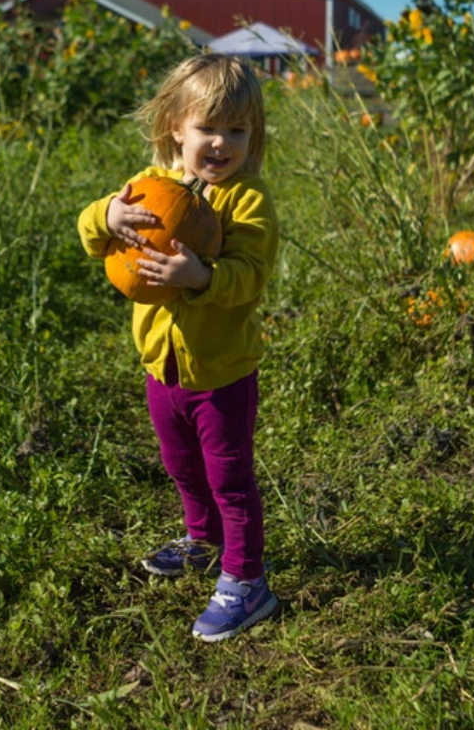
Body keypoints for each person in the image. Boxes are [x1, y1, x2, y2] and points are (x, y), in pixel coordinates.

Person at [77, 53, 280, 642]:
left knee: (230, 478)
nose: (221, 143)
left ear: (252, 136)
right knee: (181, 465)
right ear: (176, 127)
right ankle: (200, 540)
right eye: (207, 128)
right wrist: (108, 213)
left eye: (237, 131)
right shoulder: (149, 186)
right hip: (161, 368)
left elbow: (251, 275)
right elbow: (91, 234)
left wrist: (203, 278)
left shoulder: (248, 201)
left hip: (221, 373)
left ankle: (247, 580)